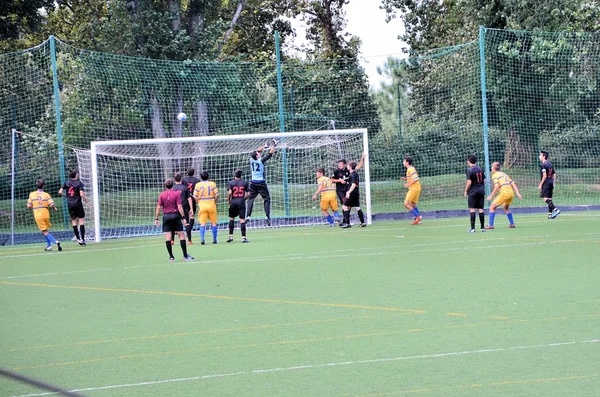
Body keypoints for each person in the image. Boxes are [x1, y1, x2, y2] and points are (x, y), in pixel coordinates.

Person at [155, 179, 193, 262]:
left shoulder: (162, 194)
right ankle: (185, 256)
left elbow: (158, 207)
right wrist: (183, 218)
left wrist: (156, 218)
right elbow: (179, 206)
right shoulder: (176, 194)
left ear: (165, 185)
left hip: (166, 217)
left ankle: (171, 257)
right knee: (181, 235)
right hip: (175, 216)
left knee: (168, 237)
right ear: (173, 185)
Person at [246, 139, 276, 226]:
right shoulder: (261, 161)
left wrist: (264, 146)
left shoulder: (251, 160)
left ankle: (248, 216)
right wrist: (274, 145)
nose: (259, 153)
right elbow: (270, 154)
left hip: (253, 183)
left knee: (250, 199)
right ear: (257, 156)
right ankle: (267, 216)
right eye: (258, 153)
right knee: (266, 199)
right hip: (261, 183)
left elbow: (257, 151)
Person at [485, 162, 523, 229]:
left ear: (493, 168)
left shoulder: (495, 175)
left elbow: (497, 186)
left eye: (491, 167)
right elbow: (513, 184)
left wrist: (491, 196)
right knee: (505, 208)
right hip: (510, 193)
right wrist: (517, 193)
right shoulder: (504, 174)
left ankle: (490, 225)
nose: (491, 168)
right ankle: (512, 224)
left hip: (504, 193)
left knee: (492, 207)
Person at [28, 179, 62, 252]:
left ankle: (56, 242)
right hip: (46, 214)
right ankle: (49, 246)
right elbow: (52, 204)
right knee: (46, 230)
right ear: (43, 186)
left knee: (44, 231)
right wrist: (54, 208)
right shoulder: (46, 194)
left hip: (38, 215)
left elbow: (28, 205)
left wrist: (35, 205)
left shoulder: (32, 194)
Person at [58, 169, 89, 245]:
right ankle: (83, 239)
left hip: (70, 204)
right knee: (81, 220)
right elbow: (81, 194)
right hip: (78, 203)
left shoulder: (67, 182)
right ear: (76, 175)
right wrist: (87, 202)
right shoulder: (79, 183)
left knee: (74, 221)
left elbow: (60, 192)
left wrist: (66, 197)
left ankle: (78, 239)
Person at [193, 171, 220, 244]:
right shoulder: (212, 184)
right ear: (208, 176)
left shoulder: (198, 185)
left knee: (202, 223)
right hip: (211, 205)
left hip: (202, 205)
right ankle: (214, 239)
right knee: (213, 223)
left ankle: (202, 239)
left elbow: (195, 196)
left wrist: (198, 201)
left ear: (201, 177)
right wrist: (215, 200)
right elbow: (217, 194)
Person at [340, 160, 366, 228]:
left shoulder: (352, 175)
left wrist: (348, 192)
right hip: (356, 193)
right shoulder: (355, 174)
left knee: (344, 207)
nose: (347, 166)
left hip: (352, 193)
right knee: (357, 207)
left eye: (348, 165)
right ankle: (362, 222)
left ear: (350, 167)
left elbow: (353, 184)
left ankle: (347, 223)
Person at [463, 155, 486, 233]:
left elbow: (469, 182)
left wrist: (466, 191)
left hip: (473, 192)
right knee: (480, 209)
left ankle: (473, 228)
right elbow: (485, 180)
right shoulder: (480, 168)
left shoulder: (469, 170)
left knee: (472, 209)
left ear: (469, 161)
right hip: (481, 191)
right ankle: (482, 228)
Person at [226, 169, 250, 243]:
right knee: (242, 220)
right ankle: (243, 238)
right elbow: (248, 194)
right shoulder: (245, 183)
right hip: (241, 202)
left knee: (231, 218)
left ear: (234, 174)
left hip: (233, 202)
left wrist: (228, 199)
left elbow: (230, 192)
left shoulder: (231, 183)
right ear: (241, 175)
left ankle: (230, 237)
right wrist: (244, 199)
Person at [171, 173, 194, 245]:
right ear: (181, 179)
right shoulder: (185, 188)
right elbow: (189, 198)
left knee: (173, 223)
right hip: (184, 206)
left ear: (174, 180)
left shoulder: (173, 188)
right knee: (186, 222)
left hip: (175, 207)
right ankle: (189, 240)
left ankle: (172, 240)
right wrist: (191, 209)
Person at [539, 150, 560, 219]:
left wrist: (540, 184)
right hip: (551, 182)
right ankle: (550, 214)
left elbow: (544, 176)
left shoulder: (544, 165)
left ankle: (555, 210)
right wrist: (553, 183)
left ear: (544, 157)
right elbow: (554, 174)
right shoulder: (550, 164)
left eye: (540, 155)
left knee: (545, 199)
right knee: (549, 199)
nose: (539, 156)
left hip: (546, 183)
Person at [182, 167, 200, 243]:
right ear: (194, 173)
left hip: (185, 200)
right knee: (191, 216)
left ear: (186, 172)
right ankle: (189, 231)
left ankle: (187, 230)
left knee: (185, 217)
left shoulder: (183, 180)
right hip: (193, 199)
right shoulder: (197, 180)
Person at [401, 156, 422, 225]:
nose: (403, 162)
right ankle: (418, 220)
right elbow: (411, 177)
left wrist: (408, 184)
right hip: (417, 188)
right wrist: (405, 179)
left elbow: (416, 179)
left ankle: (418, 217)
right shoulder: (409, 169)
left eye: (404, 161)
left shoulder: (410, 169)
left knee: (406, 204)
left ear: (407, 162)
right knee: (413, 205)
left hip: (414, 189)